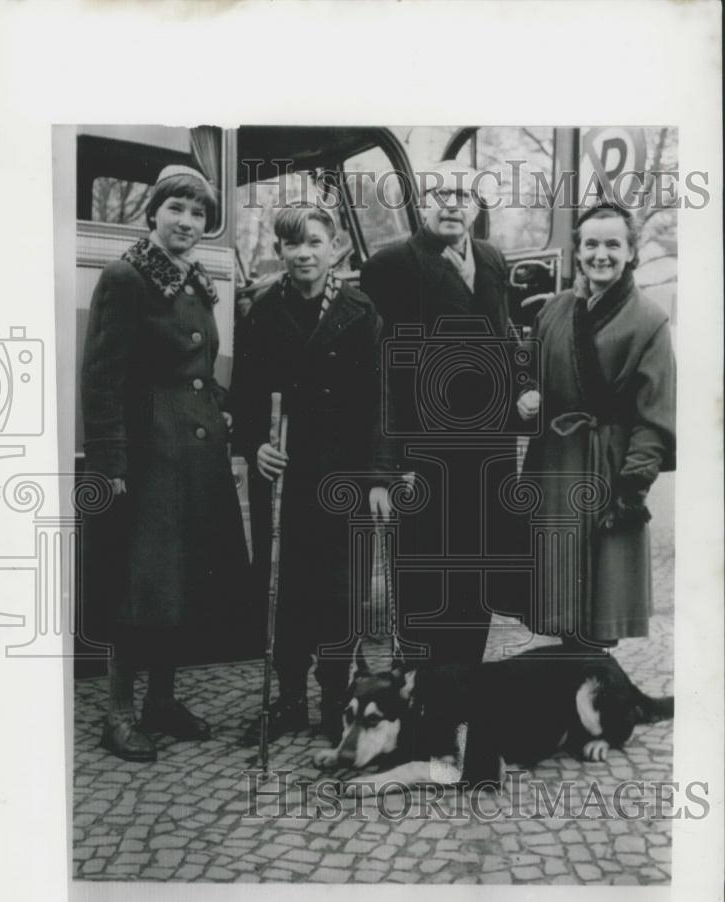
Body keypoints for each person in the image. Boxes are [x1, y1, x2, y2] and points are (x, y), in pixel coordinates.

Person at [82, 164, 250, 762]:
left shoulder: (195, 279)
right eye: (176, 208)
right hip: (151, 453)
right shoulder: (127, 277)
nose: (187, 221)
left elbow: (202, 364)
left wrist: (221, 407)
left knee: (181, 583)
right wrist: (111, 461)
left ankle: (162, 702)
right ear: (152, 213)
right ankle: (119, 713)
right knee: (141, 586)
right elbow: (101, 378)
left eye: (198, 212)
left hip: (195, 453)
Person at [231, 202, 392, 743]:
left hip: (343, 474)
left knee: (339, 587)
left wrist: (374, 478)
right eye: (293, 245)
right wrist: (255, 445)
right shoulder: (260, 312)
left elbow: (378, 403)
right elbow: (247, 398)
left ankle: (334, 697)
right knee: (284, 587)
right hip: (284, 475)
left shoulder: (360, 311)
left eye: (315, 243)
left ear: (335, 247)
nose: (304, 254)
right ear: (279, 251)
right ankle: (290, 698)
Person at [360, 160, 524, 685]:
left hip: (489, 453)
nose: (451, 203)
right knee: (425, 577)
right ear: (419, 202)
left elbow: (506, 340)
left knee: (475, 571)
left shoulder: (494, 261)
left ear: (477, 206)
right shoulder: (391, 266)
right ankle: (421, 693)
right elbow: (383, 373)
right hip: (424, 455)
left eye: (463, 194)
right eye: (439, 193)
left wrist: (524, 389)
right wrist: (387, 468)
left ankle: (464, 686)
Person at [516, 201, 676, 649]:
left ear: (631, 253)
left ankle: (595, 702)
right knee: (561, 603)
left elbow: (655, 419)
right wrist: (525, 395)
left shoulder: (649, 321)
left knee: (597, 610)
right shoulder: (553, 311)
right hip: (554, 467)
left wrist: (631, 491)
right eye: (591, 244)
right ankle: (567, 703)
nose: (600, 254)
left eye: (612, 244)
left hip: (609, 471)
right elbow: (528, 369)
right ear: (578, 251)